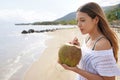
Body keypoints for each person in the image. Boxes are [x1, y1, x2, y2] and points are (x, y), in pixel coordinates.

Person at [58, 2, 120, 80]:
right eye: (77, 21)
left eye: (82, 20)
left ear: (96, 20)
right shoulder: (88, 38)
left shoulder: (102, 44)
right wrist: (76, 48)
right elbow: (90, 60)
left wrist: (77, 70)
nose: (79, 24)